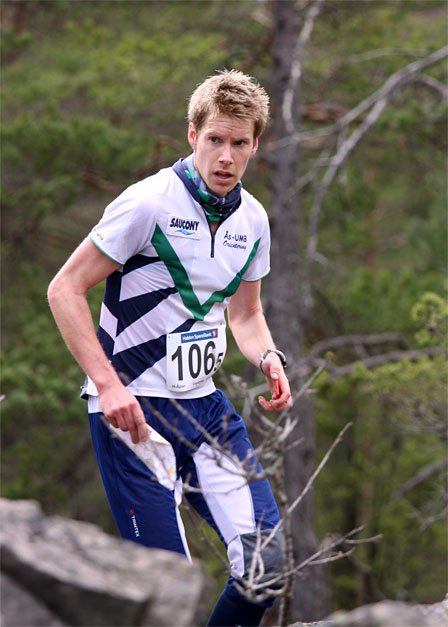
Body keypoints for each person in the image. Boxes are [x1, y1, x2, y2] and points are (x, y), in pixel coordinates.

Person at [48, 69, 292, 627]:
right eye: (215, 140)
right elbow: (64, 288)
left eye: (239, 143)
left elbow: (246, 315)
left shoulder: (254, 220)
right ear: (192, 135)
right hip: (133, 415)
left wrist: (271, 357)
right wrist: (108, 386)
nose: (225, 156)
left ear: (256, 145)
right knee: (167, 600)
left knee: (266, 569)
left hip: (205, 413)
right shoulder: (147, 203)